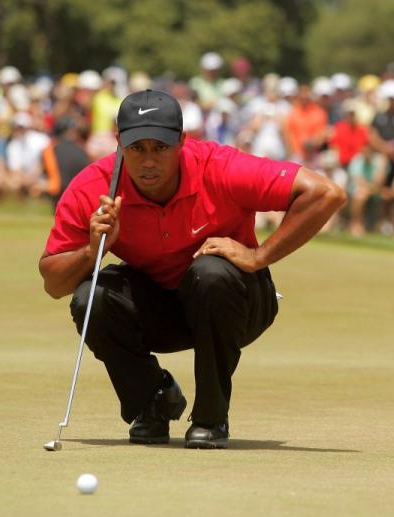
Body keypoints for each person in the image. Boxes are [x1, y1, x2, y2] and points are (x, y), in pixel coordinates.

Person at [38, 90, 346, 449]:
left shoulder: (220, 166)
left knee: (211, 273)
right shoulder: (95, 185)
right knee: (92, 296)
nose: (148, 161)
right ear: (119, 143)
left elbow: (327, 194)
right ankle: (153, 401)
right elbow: (54, 284)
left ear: (182, 142)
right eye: (137, 148)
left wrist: (258, 256)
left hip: (236, 302)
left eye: (160, 148)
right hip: (161, 310)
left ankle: (211, 417)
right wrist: (93, 250)